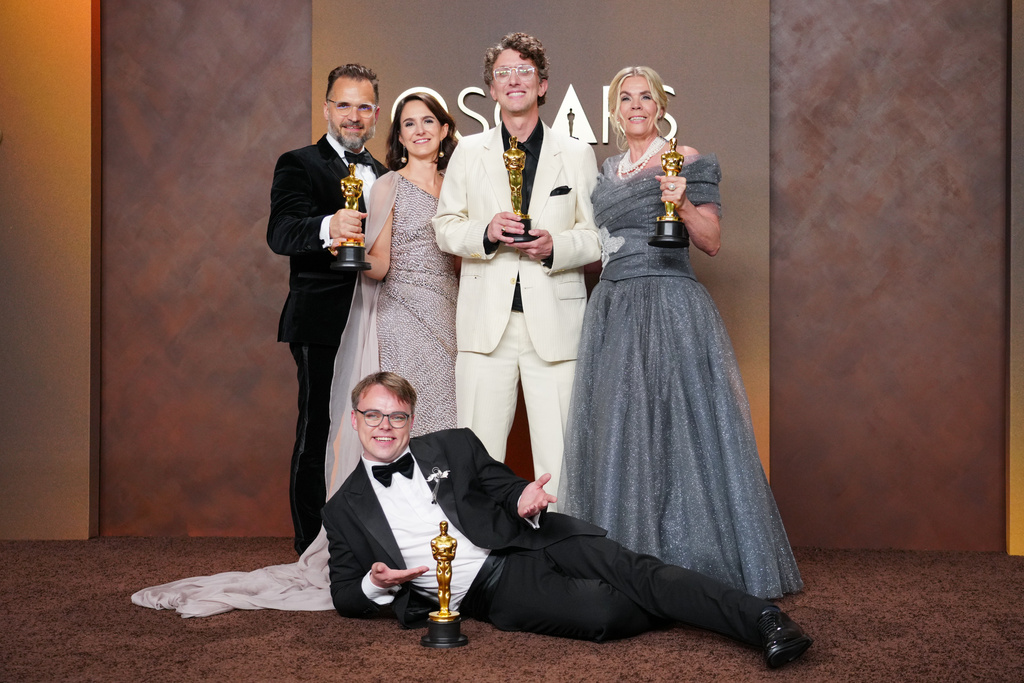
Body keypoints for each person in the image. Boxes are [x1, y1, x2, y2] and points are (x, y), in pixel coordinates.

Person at [131, 94, 460, 619]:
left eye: (427, 121)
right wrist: (341, 244)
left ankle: (444, 554)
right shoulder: (363, 178)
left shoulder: (452, 177)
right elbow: (344, 254)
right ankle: (367, 552)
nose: (418, 130)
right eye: (408, 123)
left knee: (448, 430)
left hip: (453, 316)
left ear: (445, 129)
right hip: (387, 317)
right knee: (360, 434)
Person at [321, 372, 813, 669]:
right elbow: (345, 593)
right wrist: (375, 581)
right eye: (374, 415)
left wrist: (522, 498)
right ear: (354, 419)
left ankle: (765, 621)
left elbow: (503, 484)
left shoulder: (452, 443)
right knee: (605, 613)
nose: (385, 427)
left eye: (397, 417)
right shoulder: (342, 509)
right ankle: (692, 594)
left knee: (634, 570)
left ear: (411, 419)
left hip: (531, 535)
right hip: (492, 591)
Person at [558, 66, 803, 599]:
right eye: (626, 98)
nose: (636, 105)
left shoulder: (688, 159)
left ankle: (692, 562)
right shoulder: (604, 171)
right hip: (614, 307)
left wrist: (684, 201)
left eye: (645, 96)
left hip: (670, 302)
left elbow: (712, 241)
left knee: (684, 426)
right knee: (621, 427)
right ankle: (626, 562)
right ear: (615, 111)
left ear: (660, 106)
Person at [433, 32, 601, 502]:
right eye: (503, 72)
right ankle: (480, 560)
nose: (513, 80)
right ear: (491, 88)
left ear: (543, 85)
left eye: (524, 71)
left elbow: (596, 237)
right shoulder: (468, 152)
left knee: (562, 458)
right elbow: (445, 226)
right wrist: (485, 233)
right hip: (486, 327)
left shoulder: (576, 153)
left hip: (556, 327)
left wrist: (554, 246)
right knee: (475, 455)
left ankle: (563, 560)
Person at [267, 64, 387, 555]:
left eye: (363, 107)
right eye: (344, 105)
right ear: (326, 109)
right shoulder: (298, 163)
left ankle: (362, 540)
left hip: (377, 317)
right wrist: (327, 226)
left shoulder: (385, 174)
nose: (353, 116)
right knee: (319, 428)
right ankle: (309, 546)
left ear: (376, 114)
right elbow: (280, 234)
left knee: (376, 429)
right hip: (320, 320)